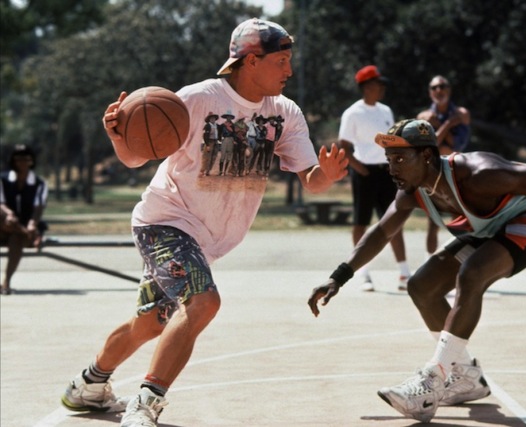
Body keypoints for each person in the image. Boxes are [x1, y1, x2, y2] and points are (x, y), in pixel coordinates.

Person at [60, 18, 348, 427]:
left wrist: (330, 176)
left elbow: (312, 180)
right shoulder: (196, 100)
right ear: (251, 61)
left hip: (206, 239)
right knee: (203, 302)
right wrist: (120, 137)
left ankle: (88, 386)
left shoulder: (284, 113)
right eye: (281, 61)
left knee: (151, 322)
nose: (289, 70)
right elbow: (137, 157)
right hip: (164, 222)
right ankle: (145, 405)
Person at [308, 119, 526, 423]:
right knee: (422, 286)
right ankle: (466, 375)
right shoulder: (412, 191)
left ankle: (432, 379)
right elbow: (382, 231)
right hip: (490, 230)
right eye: (389, 158)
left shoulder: (480, 174)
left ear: (426, 156)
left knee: (472, 273)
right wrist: (339, 276)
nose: (390, 167)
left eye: (398, 159)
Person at [338, 64, 411, 292]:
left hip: (386, 172)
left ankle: (405, 273)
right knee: (361, 222)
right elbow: (344, 146)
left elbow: (391, 141)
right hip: (365, 173)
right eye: (378, 85)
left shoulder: (385, 111)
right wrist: (361, 169)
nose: (382, 89)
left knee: (393, 220)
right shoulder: (353, 113)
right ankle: (362, 272)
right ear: (367, 86)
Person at [417, 76, 471, 256]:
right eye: (434, 87)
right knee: (433, 221)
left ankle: (456, 262)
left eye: (443, 86)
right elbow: (431, 144)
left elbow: (457, 145)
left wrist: (440, 127)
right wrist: (447, 125)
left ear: (449, 89)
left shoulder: (462, 113)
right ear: (429, 92)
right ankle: (429, 262)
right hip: (434, 173)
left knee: (459, 221)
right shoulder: (423, 117)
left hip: (456, 172)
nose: (439, 90)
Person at [0, 144, 48, 295]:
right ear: (13, 161)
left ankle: (6, 281)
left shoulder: (39, 183)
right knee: (8, 221)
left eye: (26, 159)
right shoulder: (3, 180)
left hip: (21, 231)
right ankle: (28, 233)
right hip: (3, 225)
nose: (22, 163)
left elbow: (38, 208)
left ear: (31, 161)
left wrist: (32, 223)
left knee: (17, 238)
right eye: (18, 159)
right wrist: (9, 214)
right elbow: (1, 204)